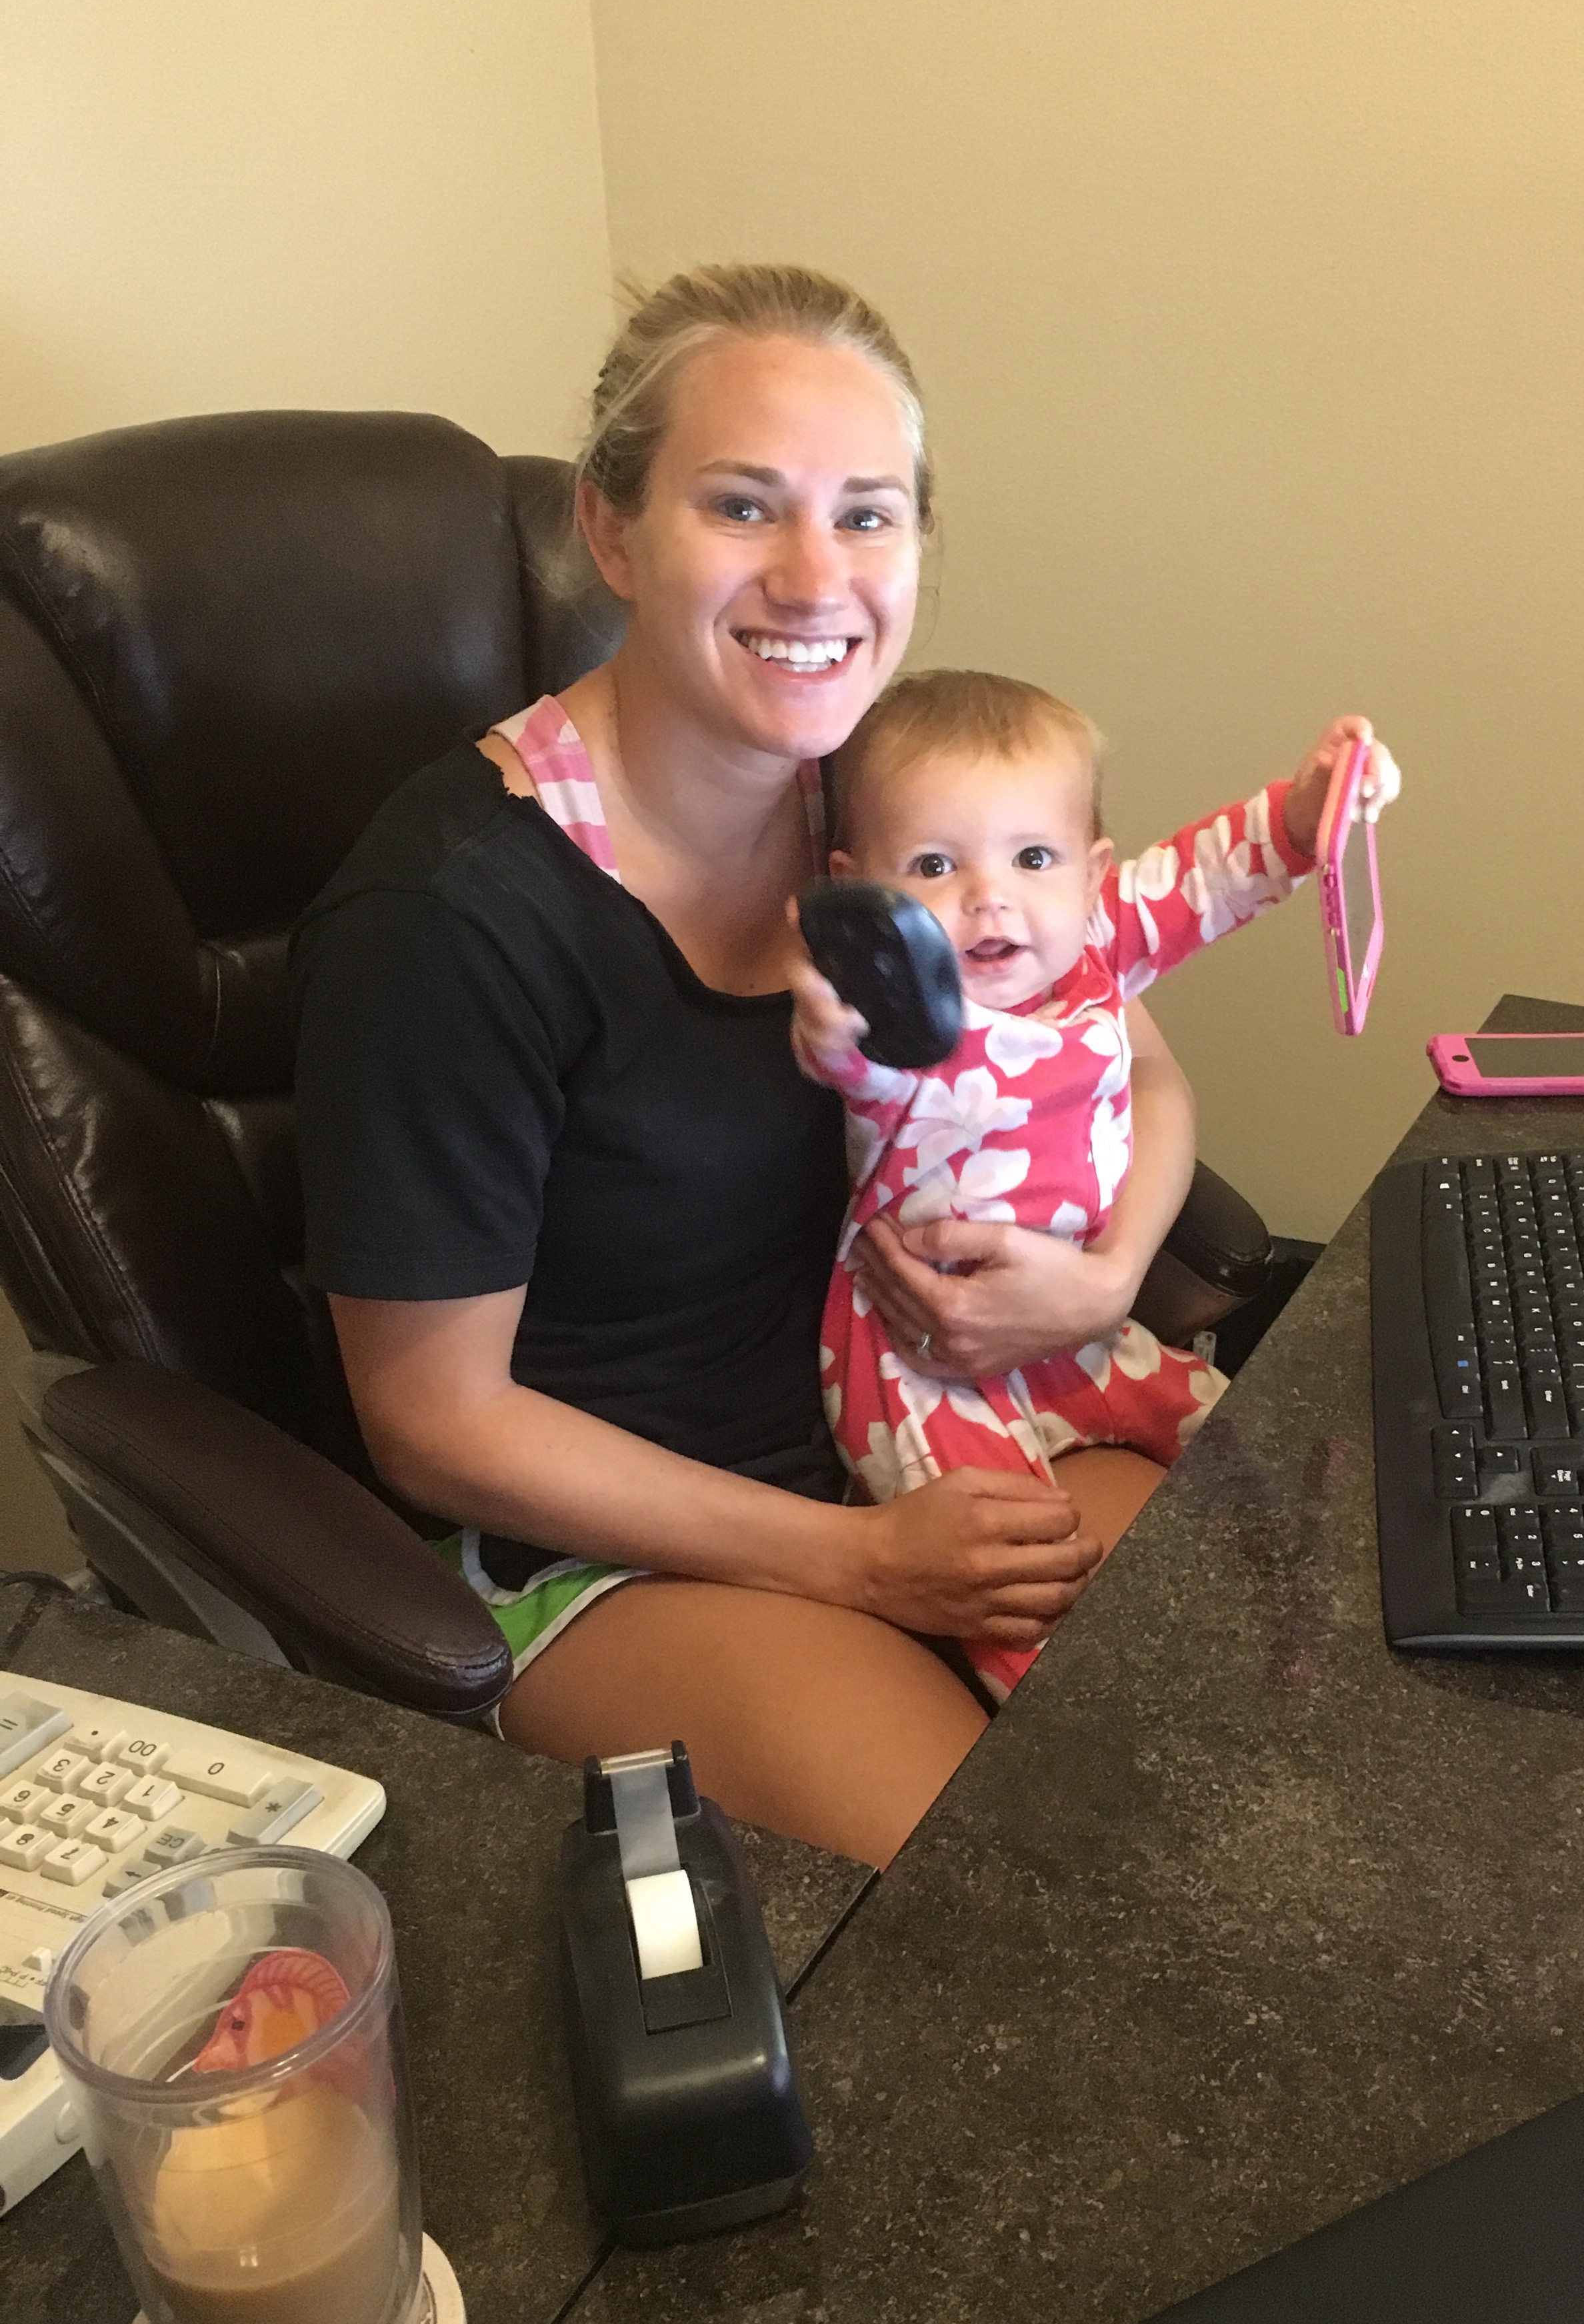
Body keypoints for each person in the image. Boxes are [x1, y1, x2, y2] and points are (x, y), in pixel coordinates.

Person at [291, 264, 1204, 1868]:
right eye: (742, 505)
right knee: (1008, 1889)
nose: (815, 577)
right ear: (612, 530)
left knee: (1264, 1703)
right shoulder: (451, 916)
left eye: (868, 515)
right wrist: (861, 1561)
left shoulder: (884, 803)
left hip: (928, 1419)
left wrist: (1107, 1271)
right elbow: (436, 1422)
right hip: (621, 1543)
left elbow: (1136, 1055)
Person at [787, 670, 1399, 1695]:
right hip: (924, 1360)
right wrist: (837, 1025)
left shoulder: (1094, 952)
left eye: (1033, 858)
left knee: (1241, 1433)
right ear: (864, 895)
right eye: (934, 866)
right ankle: (1056, 1736)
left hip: (1076, 1328)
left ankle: (1321, 1615)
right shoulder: (914, 1023)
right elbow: (859, 1067)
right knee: (1011, 1573)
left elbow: (1203, 881)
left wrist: (1302, 818)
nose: (989, 898)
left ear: (1091, 874)